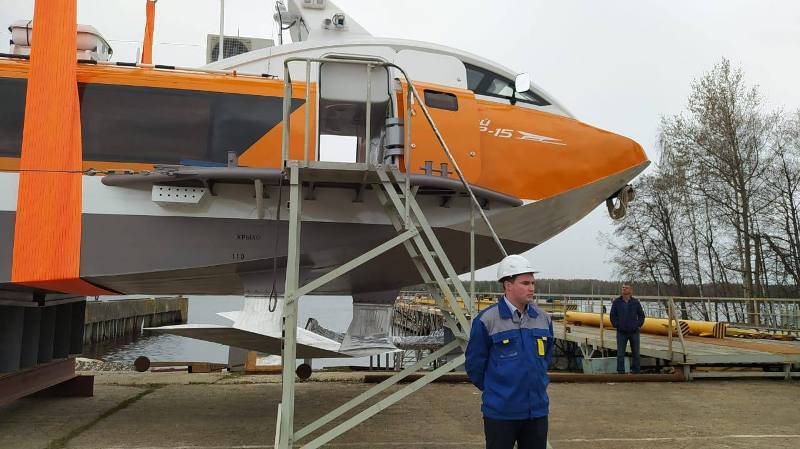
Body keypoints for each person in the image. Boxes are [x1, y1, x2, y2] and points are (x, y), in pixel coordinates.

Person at [465, 255, 553, 449]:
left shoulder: (543, 319)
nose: (531, 288)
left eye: (532, 283)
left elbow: (546, 357)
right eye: (525, 283)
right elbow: (474, 365)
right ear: (508, 285)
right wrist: (497, 391)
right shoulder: (487, 320)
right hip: (501, 414)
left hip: (536, 412)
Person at [609, 283, 645, 374]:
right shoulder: (617, 302)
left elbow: (641, 315)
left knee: (636, 353)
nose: (624, 289)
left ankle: (636, 371)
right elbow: (612, 315)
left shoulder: (635, 302)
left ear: (630, 290)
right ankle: (621, 372)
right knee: (620, 353)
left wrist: (638, 325)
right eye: (623, 288)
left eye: (626, 288)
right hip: (621, 332)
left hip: (634, 331)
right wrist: (617, 325)